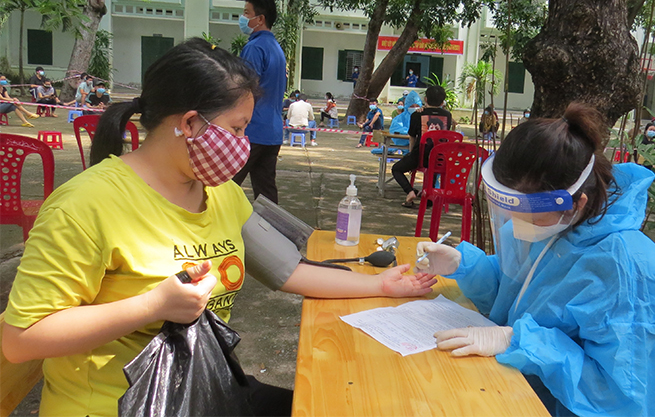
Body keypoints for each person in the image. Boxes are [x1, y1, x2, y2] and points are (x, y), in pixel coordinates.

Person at [2, 38, 437, 417]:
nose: (244, 144)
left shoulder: (219, 192)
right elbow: (21, 340)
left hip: (200, 388)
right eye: (236, 128)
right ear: (190, 124)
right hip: (117, 404)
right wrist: (153, 306)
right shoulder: (85, 206)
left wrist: (382, 284)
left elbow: (288, 271)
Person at [415, 103, 655, 416]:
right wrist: (464, 266)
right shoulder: (550, 224)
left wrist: (522, 341)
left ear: (577, 203)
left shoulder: (626, 266)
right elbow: (516, 290)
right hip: (508, 393)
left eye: (529, 215)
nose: (516, 223)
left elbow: (619, 396)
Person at [232, 0, 287, 204]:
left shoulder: (254, 48)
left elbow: (245, 90)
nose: (243, 18)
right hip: (272, 132)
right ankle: (274, 234)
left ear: (260, 19)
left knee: (223, 186)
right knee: (266, 195)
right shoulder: (275, 48)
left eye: (247, 13)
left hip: (251, 130)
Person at [391, 86, 453, 208]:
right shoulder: (448, 116)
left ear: (425, 99)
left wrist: (410, 155)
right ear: (442, 102)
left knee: (396, 169)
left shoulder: (417, 115)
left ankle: (410, 191)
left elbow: (412, 137)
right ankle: (428, 197)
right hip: (439, 158)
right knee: (433, 170)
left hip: (419, 155)